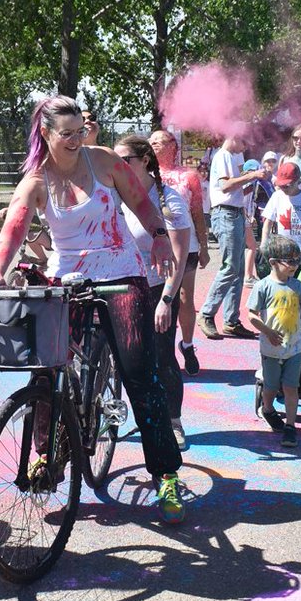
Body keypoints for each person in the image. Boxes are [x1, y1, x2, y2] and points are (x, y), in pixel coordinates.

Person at [0, 96, 186, 523]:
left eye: (80, 130)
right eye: (66, 133)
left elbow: (141, 202)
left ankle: (165, 474)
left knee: (139, 373)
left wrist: (159, 235)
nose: (76, 139)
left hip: (120, 272)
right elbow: (12, 230)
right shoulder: (35, 182)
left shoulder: (104, 161)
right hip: (67, 279)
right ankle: (46, 456)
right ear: (45, 134)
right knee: (45, 367)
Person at [115, 135, 193, 446]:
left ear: (144, 160)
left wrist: (166, 300)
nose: (117, 167)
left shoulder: (168, 200)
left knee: (161, 356)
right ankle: (112, 416)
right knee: (121, 356)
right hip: (123, 287)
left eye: (125, 161)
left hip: (158, 289)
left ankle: (173, 421)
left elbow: (178, 255)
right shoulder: (114, 194)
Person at [248, 234, 301, 447]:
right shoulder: (263, 287)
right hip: (271, 348)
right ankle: (267, 408)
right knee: (272, 387)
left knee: (291, 387)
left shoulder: (298, 286)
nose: (295, 265)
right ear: (273, 262)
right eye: (290, 261)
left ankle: (291, 426)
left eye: (297, 260)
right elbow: (252, 316)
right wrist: (267, 331)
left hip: (294, 348)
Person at [149, 130, 209, 376]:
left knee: (184, 298)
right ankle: (161, 351)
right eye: (150, 142)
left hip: (187, 246)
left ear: (172, 145)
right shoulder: (145, 174)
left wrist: (204, 247)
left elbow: (197, 213)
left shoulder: (188, 176)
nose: (153, 145)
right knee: (159, 298)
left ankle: (187, 345)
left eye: (159, 142)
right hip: (155, 246)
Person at [199, 130, 267, 340]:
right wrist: (253, 176)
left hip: (234, 213)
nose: (245, 149)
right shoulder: (222, 156)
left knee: (236, 270)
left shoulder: (234, 156)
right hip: (225, 214)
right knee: (230, 267)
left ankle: (231, 320)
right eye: (244, 144)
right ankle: (206, 313)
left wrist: (253, 184)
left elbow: (235, 189)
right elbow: (225, 185)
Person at [261, 161, 301, 268]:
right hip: (283, 254)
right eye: (281, 186)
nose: (284, 189)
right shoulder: (277, 196)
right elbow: (268, 222)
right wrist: (264, 244)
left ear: (299, 181)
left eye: (287, 185)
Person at [243, 152, 278, 286]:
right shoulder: (250, 183)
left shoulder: (254, 182)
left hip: (246, 218)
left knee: (250, 246)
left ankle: (247, 275)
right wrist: (248, 216)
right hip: (245, 218)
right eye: (252, 170)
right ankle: (247, 276)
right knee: (252, 246)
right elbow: (244, 202)